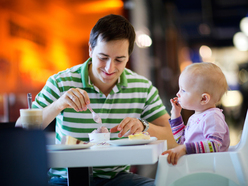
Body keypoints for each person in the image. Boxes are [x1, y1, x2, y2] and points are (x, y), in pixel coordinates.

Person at [16, 14, 176, 185]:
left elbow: (174, 138)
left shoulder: (142, 88)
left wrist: (144, 126)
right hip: (65, 178)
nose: (110, 68)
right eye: (103, 57)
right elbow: (21, 132)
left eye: (119, 60)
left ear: (128, 57)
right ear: (90, 50)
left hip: (117, 179)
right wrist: (59, 104)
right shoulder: (61, 82)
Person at [162, 62, 230, 165]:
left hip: (213, 167)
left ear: (204, 98)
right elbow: (181, 139)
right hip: (199, 165)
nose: (178, 94)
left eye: (183, 90)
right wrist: (176, 115)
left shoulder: (213, 117)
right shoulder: (195, 117)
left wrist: (185, 149)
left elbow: (214, 145)